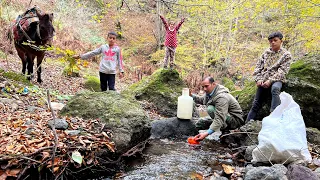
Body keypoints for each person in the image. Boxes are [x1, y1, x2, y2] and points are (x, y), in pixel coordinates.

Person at [246, 32, 292, 122]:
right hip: (263, 79)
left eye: (275, 40)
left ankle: (274, 113)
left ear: (281, 41)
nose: (273, 43)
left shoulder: (286, 55)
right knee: (256, 103)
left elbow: (283, 71)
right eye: (271, 41)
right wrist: (258, 79)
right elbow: (258, 68)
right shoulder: (265, 53)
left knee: (275, 89)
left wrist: (270, 81)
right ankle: (246, 124)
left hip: (277, 79)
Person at [191, 77, 244, 141]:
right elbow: (201, 100)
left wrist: (206, 134)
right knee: (200, 123)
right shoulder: (210, 92)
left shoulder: (222, 97)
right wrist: (191, 95)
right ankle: (222, 127)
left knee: (210, 109)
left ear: (213, 84)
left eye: (206, 86)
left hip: (235, 121)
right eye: (203, 87)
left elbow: (219, 118)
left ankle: (225, 130)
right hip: (225, 116)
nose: (204, 89)